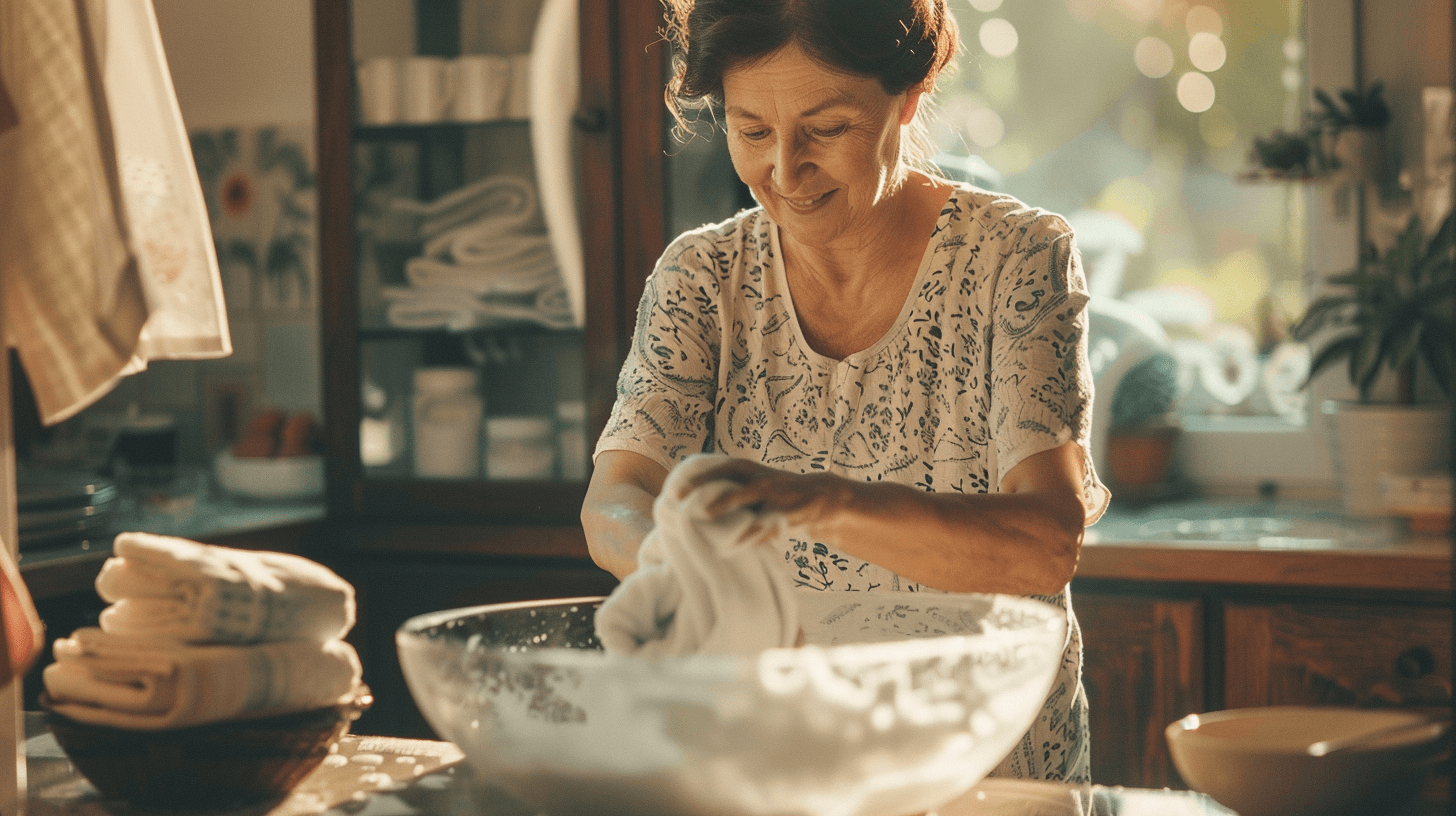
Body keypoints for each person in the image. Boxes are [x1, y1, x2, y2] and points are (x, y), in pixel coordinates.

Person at [582, 0, 1110, 782]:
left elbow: (1043, 545)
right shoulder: (702, 278)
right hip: (779, 766)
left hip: (986, 770)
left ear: (910, 94)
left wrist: (818, 504)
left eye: (826, 129)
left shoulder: (1016, 257)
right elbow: (615, 498)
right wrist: (679, 562)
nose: (784, 170)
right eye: (751, 130)